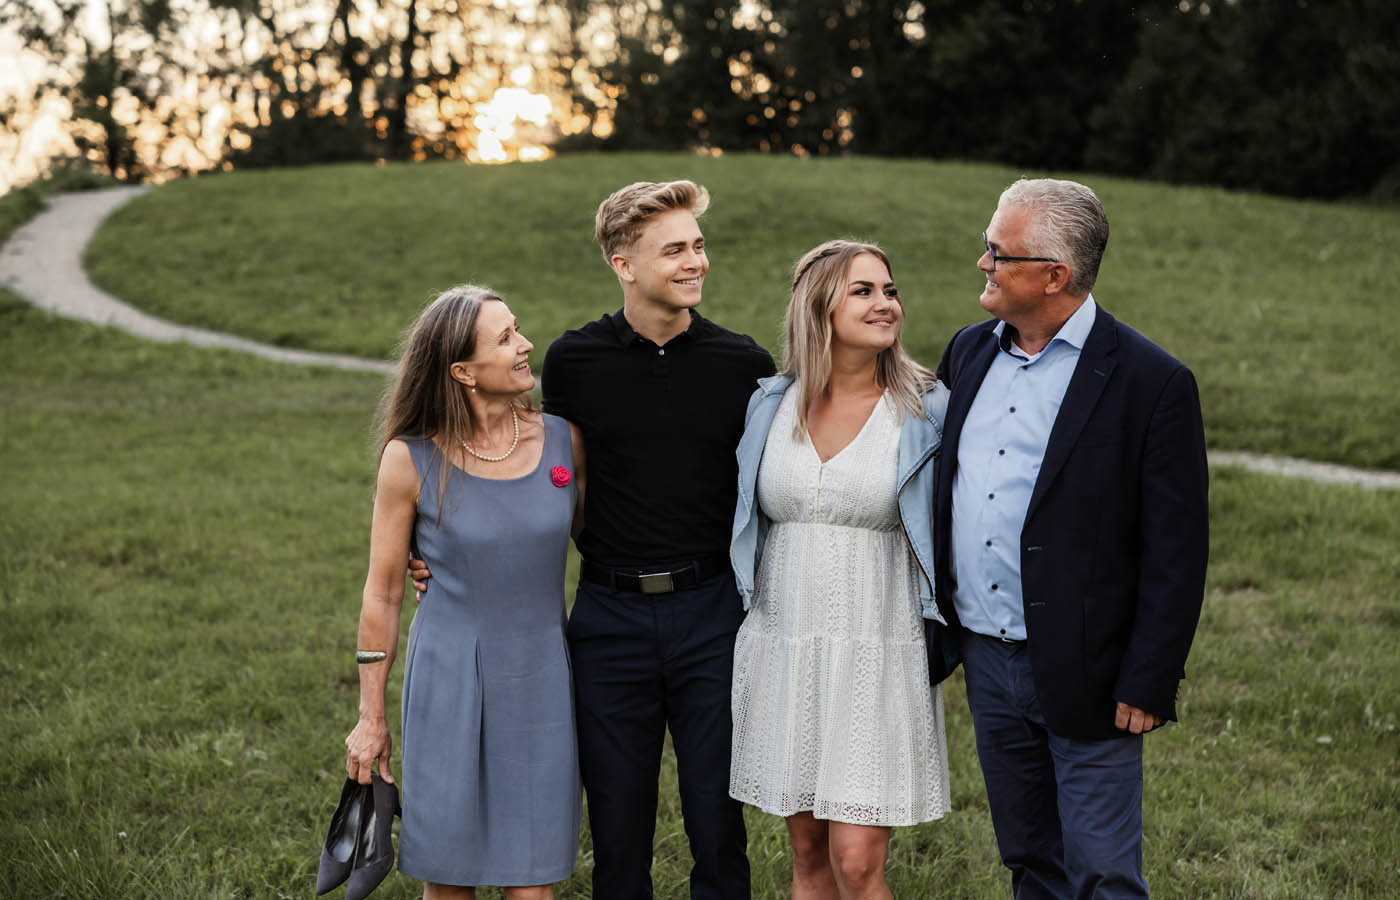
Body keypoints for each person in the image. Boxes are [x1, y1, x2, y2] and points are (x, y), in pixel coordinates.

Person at [932, 178, 1209, 898]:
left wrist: (1149, 679)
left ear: (1055, 275)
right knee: (1030, 860)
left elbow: (1176, 552)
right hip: (987, 661)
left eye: (999, 252)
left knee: (1103, 874)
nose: (983, 263)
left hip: (1092, 667)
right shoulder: (967, 354)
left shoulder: (1151, 382)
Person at [728, 240, 953, 900]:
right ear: (817, 305)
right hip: (784, 646)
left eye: (890, 289)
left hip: (878, 651)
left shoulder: (927, 410)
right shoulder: (770, 405)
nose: (886, 303)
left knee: (857, 863)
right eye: (864, 291)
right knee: (807, 854)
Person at [345, 285, 584, 900]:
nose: (526, 344)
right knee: (449, 882)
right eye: (505, 338)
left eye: (518, 328)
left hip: (542, 680)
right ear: (461, 371)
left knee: (533, 884)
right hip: (448, 680)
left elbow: (602, 542)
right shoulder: (409, 459)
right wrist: (371, 718)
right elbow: (383, 592)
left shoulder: (562, 440)